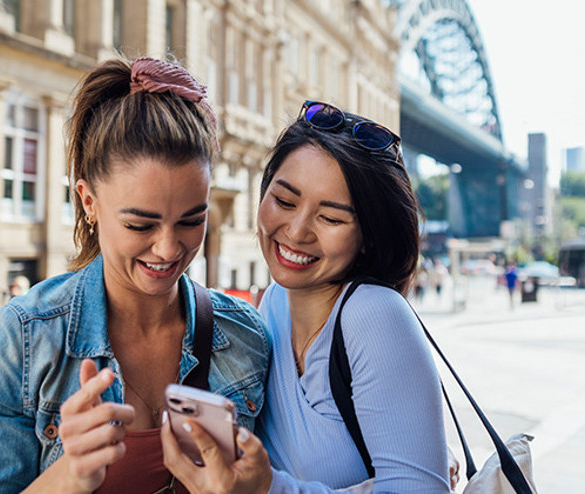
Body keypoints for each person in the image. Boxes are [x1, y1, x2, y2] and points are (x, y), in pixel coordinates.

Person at [0, 57, 270, 493]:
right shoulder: (23, 342)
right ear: (89, 202)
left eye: (192, 220)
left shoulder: (246, 334)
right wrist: (70, 475)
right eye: (140, 225)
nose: (168, 248)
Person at [162, 100, 451, 492]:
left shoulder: (374, 314)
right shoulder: (274, 303)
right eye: (284, 201)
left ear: (367, 236)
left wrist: (267, 488)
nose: (297, 232)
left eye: (330, 218)